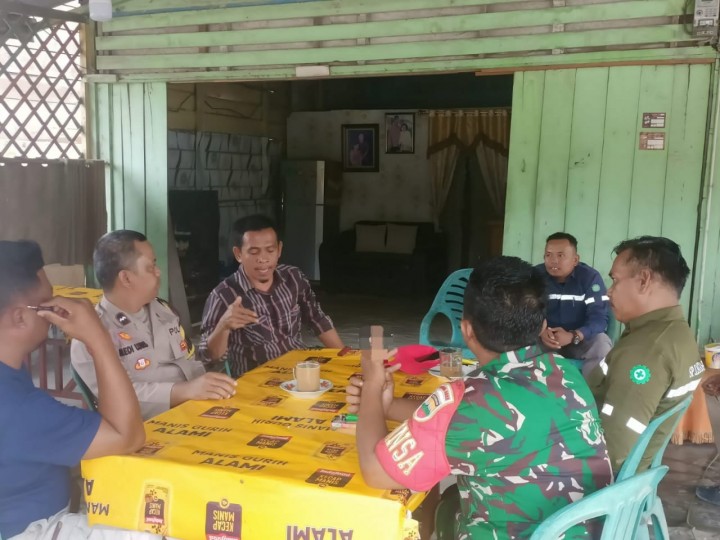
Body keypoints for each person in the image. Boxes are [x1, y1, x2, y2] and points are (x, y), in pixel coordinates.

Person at [349, 256, 612, 538]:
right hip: (596, 531)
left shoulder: (469, 399)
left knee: (434, 507)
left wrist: (374, 383)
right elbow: (455, 422)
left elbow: (375, 472)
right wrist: (384, 406)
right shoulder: (565, 372)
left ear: (466, 331)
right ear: (541, 325)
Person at [0, 240, 149, 539]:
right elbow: (128, 436)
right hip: (28, 530)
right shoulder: (16, 407)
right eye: (46, 302)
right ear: (19, 317)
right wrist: (97, 337)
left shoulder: (11, 375)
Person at [71, 230, 236, 420]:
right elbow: (119, 401)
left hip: (197, 410)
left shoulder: (163, 310)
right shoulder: (91, 334)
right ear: (126, 278)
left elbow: (191, 360)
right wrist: (186, 391)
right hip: (150, 428)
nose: (158, 272)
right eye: (150, 267)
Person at [587, 236, 703, 473]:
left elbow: (613, 452)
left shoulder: (647, 350)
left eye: (615, 281)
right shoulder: (676, 333)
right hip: (639, 469)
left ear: (644, 280)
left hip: (605, 481)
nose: (609, 292)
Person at [200, 215, 344, 378]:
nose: (263, 259)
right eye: (253, 252)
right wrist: (223, 326)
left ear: (279, 250)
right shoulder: (223, 295)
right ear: (238, 254)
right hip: (257, 383)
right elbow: (210, 357)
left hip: (298, 373)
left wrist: (347, 359)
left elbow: (317, 319)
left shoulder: (293, 277)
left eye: (270, 250)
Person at [536, 232, 613, 377]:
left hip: (580, 340)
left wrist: (574, 335)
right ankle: (526, 393)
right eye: (548, 255)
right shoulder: (535, 276)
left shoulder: (589, 278)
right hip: (544, 339)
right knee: (516, 341)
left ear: (575, 259)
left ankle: (592, 394)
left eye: (560, 255)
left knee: (601, 342)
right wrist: (541, 331)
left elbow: (599, 318)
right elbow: (525, 311)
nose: (553, 260)